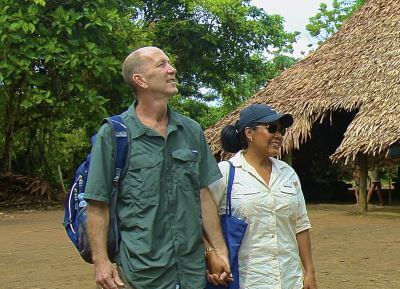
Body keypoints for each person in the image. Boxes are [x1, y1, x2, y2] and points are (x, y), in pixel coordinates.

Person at [83, 46, 231, 289]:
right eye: (161, 65)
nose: (172, 69)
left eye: (169, 63)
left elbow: (204, 195)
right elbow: (97, 204)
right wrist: (101, 261)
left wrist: (219, 251)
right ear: (140, 80)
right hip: (141, 274)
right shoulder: (113, 135)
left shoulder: (191, 130)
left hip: (191, 273)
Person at [207, 104, 318, 289]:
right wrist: (211, 254)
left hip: (289, 279)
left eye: (281, 130)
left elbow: (301, 225)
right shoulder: (226, 173)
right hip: (248, 280)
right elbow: (201, 219)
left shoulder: (287, 173)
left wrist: (309, 272)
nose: (279, 135)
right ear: (249, 133)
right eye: (271, 128)